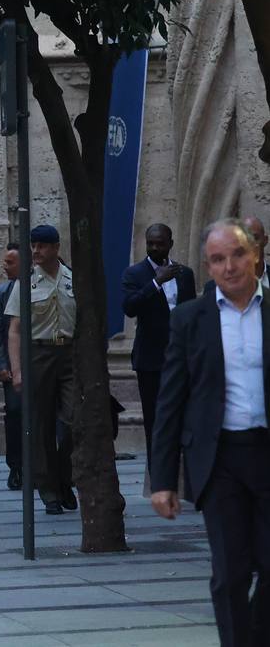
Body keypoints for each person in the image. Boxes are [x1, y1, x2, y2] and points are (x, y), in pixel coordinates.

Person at [151, 219, 270, 647]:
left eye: (237, 255)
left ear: (255, 253)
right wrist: (163, 480)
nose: (230, 267)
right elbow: (171, 400)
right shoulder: (190, 319)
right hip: (219, 461)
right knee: (231, 572)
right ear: (207, 266)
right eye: (218, 259)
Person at [6, 224, 77, 515]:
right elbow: (14, 331)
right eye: (33, 245)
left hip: (70, 354)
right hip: (39, 353)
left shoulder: (74, 277)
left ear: (56, 248)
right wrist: (17, 370)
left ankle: (64, 478)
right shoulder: (26, 283)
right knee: (41, 426)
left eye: (42, 246)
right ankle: (49, 490)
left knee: (75, 421)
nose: (35, 251)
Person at [121, 223, 196, 461]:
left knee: (184, 417)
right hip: (150, 360)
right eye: (150, 243)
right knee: (154, 421)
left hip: (181, 359)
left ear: (170, 244)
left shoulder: (185, 274)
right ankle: (158, 479)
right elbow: (130, 308)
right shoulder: (134, 274)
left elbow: (191, 314)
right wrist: (156, 283)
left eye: (159, 243)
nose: (154, 248)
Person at [0, 244, 24, 490]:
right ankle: (16, 468)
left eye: (10, 262)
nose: (4, 266)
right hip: (12, 365)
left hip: (41, 363)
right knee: (14, 413)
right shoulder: (1, 292)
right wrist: (2, 365)